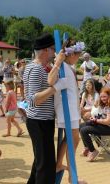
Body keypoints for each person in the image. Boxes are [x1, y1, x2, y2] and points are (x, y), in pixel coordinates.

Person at [23, 33, 68, 184]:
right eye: (52, 49)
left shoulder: (35, 67)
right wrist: (56, 88)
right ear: (44, 50)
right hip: (39, 121)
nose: (54, 53)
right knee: (46, 166)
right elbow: (33, 100)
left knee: (40, 162)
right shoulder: (36, 69)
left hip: (40, 120)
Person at [48, 39, 87, 184]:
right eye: (77, 55)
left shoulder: (69, 66)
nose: (78, 57)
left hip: (72, 109)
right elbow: (50, 81)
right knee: (72, 140)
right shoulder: (61, 65)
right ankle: (71, 176)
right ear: (71, 54)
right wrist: (57, 63)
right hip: (66, 110)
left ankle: (62, 167)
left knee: (72, 139)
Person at [79, 87, 110, 162]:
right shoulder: (107, 104)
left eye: (104, 96)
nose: (102, 98)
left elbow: (108, 121)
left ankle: (93, 151)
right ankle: (87, 147)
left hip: (108, 128)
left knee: (84, 130)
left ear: (109, 96)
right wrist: (95, 119)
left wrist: (96, 120)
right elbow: (96, 107)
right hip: (103, 125)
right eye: (101, 96)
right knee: (81, 126)